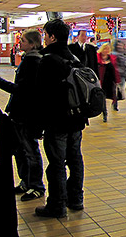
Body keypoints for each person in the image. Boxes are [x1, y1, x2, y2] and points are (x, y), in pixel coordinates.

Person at [35, 19, 87, 218]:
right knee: (75, 159)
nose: (44, 38)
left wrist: (38, 125)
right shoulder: (74, 58)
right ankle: (76, 199)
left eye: (46, 34)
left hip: (56, 121)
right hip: (76, 120)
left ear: (52, 37)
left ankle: (57, 205)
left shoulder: (48, 60)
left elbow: (41, 95)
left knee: (56, 163)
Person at [0, 29, 45, 202]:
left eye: (24, 41)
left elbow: (21, 90)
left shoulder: (32, 62)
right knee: (21, 150)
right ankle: (26, 182)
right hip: (21, 113)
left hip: (26, 114)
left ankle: (36, 186)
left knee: (29, 150)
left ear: (33, 44)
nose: (20, 43)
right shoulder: (31, 60)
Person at [97, 43, 120, 122]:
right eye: (104, 49)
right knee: (103, 98)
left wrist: (117, 81)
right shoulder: (97, 58)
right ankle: (104, 113)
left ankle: (114, 105)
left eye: (107, 49)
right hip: (101, 81)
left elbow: (115, 70)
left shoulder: (112, 58)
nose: (106, 50)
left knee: (112, 96)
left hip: (110, 81)